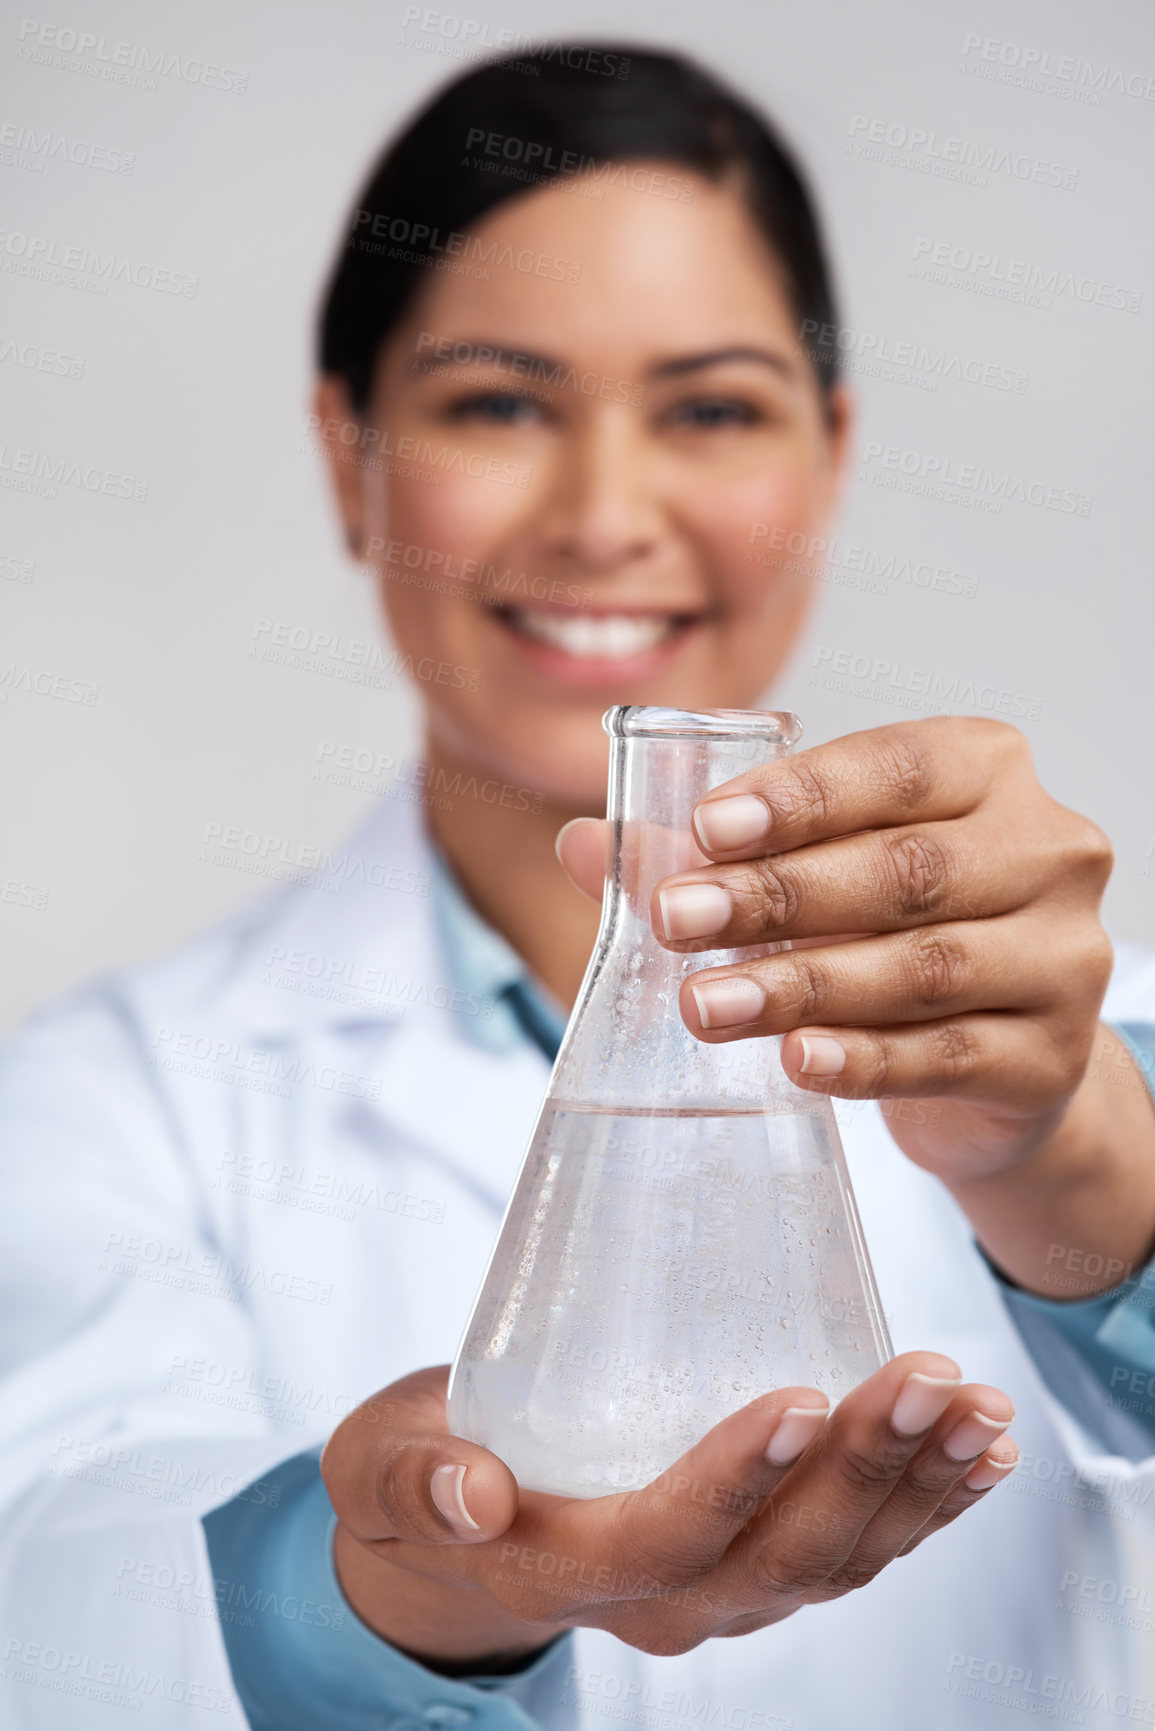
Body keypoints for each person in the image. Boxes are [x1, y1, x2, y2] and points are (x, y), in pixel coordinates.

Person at [2, 43, 1154, 1731]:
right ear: (350, 454)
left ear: (825, 462)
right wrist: (402, 1582)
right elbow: (63, 1589)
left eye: (709, 408)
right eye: (495, 402)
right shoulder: (106, 1108)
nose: (609, 513)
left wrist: (1070, 1156)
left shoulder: (1093, 1026)